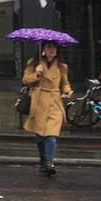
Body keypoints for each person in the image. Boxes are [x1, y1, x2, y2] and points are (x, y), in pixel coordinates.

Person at [22, 42, 72, 177]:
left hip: (55, 102)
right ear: (43, 49)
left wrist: (67, 90)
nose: (52, 50)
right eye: (49, 47)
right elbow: (25, 80)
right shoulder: (34, 63)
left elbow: (65, 83)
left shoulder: (62, 66)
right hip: (39, 102)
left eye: (54, 47)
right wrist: (36, 74)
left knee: (51, 136)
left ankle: (49, 162)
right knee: (40, 137)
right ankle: (43, 160)